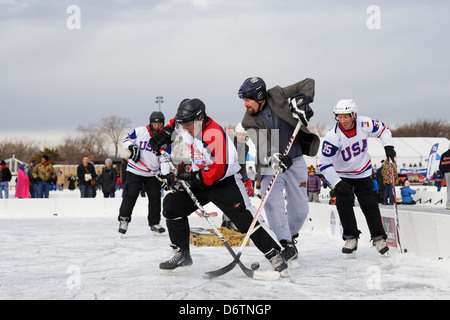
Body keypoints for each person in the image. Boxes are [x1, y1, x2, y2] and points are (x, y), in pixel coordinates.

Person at [149, 98, 288, 275]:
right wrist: (165, 133)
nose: (184, 129)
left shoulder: (214, 134)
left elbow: (218, 170)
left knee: (245, 219)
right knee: (172, 206)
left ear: (200, 119)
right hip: (199, 178)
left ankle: (274, 253)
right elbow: (174, 123)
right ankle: (182, 252)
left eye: (189, 125)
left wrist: (193, 177)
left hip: (225, 182)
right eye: (182, 125)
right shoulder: (186, 124)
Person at [238, 76, 320, 265]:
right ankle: (284, 243)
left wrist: (303, 100)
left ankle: (289, 236)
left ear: (260, 97)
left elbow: (308, 82)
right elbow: (261, 141)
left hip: (296, 158)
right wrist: (273, 156)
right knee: (273, 205)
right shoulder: (248, 119)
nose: (245, 104)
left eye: (247, 100)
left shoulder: (278, 94)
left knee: (300, 210)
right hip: (268, 163)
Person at [319, 99, 395, 255]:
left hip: (363, 171)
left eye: (346, 116)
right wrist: (336, 182)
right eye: (339, 117)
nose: (342, 120)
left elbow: (384, 130)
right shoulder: (332, 136)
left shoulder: (364, 123)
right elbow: (324, 164)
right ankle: (351, 237)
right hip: (342, 174)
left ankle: (379, 237)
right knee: (344, 204)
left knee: (370, 204)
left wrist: (388, 146)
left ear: (354, 115)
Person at [118, 111, 169, 235]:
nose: (157, 126)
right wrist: (132, 147)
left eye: (159, 124)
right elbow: (126, 140)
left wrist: (165, 175)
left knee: (155, 198)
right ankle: (124, 219)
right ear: (150, 123)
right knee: (131, 194)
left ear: (163, 124)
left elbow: (165, 159)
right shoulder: (140, 131)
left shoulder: (165, 138)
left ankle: (154, 223)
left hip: (152, 173)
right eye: (154, 123)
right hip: (135, 170)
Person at [439, 144, 450, 210]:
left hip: (446, 173)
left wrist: (443, 173)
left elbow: (440, 166)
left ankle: (448, 204)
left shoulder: (444, 155)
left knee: (449, 189)